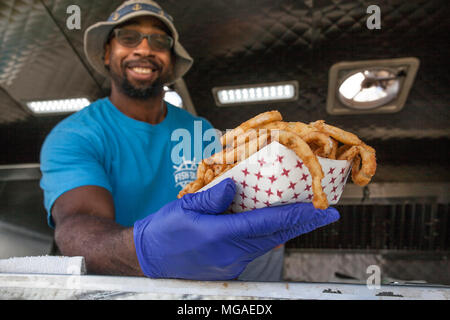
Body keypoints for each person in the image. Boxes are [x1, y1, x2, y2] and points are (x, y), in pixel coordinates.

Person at [39, 0, 340, 280]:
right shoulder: (75, 135)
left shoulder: (202, 131)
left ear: (170, 62)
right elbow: (78, 223)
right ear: (107, 53)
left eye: (160, 41)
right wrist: (145, 250)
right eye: (128, 37)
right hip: (123, 285)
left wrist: (265, 213)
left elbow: (237, 194)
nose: (144, 48)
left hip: (207, 281)